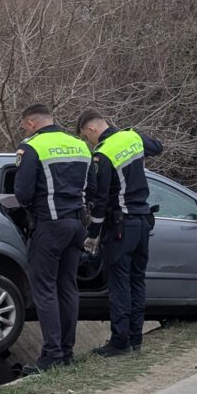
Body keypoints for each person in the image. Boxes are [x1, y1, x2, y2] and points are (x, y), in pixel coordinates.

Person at [77, 109, 163, 357]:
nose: (88, 141)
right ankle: (136, 338)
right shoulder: (132, 137)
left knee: (119, 285)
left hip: (120, 227)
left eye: (85, 136)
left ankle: (120, 341)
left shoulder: (103, 153)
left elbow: (100, 199)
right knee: (137, 281)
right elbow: (157, 147)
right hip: (143, 222)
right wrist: (135, 133)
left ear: (92, 129)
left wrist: (93, 233)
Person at [14, 103, 91, 373]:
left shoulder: (32, 146)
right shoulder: (79, 145)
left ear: (32, 123)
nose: (23, 129)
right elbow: (90, 186)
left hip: (49, 224)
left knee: (45, 289)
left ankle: (51, 355)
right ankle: (67, 352)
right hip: (77, 224)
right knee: (68, 287)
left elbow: (22, 193)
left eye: (24, 125)